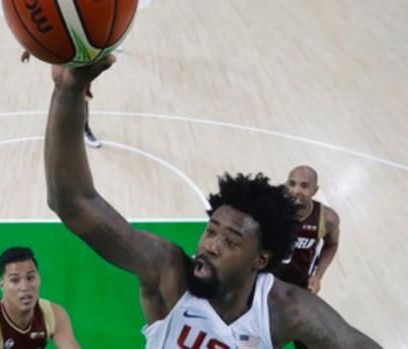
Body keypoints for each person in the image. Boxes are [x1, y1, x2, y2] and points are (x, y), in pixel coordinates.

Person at [44, 56, 381, 348]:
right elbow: (72, 202)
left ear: (261, 259)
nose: (210, 246)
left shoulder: (287, 310)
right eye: (211, 231)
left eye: (231, 241)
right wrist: (69, 91)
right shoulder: (168, 273)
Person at [0, 247, 80, 349]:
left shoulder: (53, 314)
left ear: (39, 279)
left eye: (30, 277)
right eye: (15, 280)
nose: (24, 287)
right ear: (2, 285)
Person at [274, 165, 340, 294]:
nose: (296, 190)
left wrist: (318, 276)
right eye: (292, 184)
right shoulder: (273, 209)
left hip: (299, 284)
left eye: (304, 186)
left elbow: (332, 244)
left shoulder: (327, 218)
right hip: (266, 276)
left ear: (315, 190)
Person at [21, 50, 101, 148]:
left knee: (83, 96)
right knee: (61, 91)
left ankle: (85, 130)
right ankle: (60, 130)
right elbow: (44, 35)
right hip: (60, 53)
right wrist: (28, 50)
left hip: (80, 55)